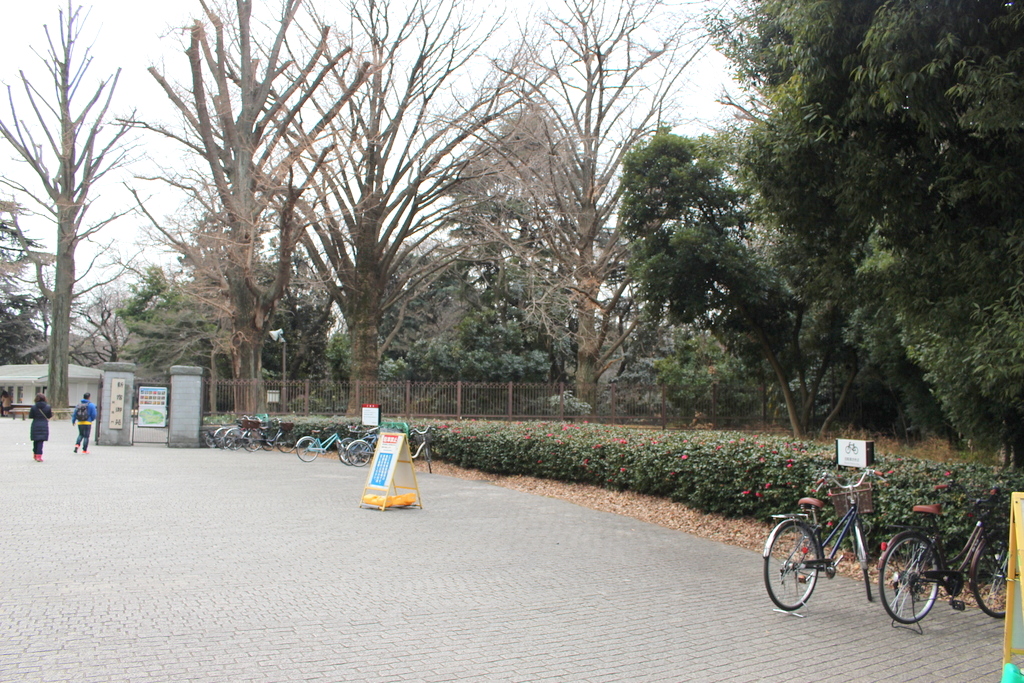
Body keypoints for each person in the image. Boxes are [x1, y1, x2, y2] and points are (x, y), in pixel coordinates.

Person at [29, 392, 53, 462]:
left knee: (35, 440)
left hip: (35, 423)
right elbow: (49, 416)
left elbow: (31, 416)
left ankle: (35, 453)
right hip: (43, 424)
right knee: (40, 441)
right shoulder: (48, 407)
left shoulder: (33, 407)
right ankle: (39, 455)